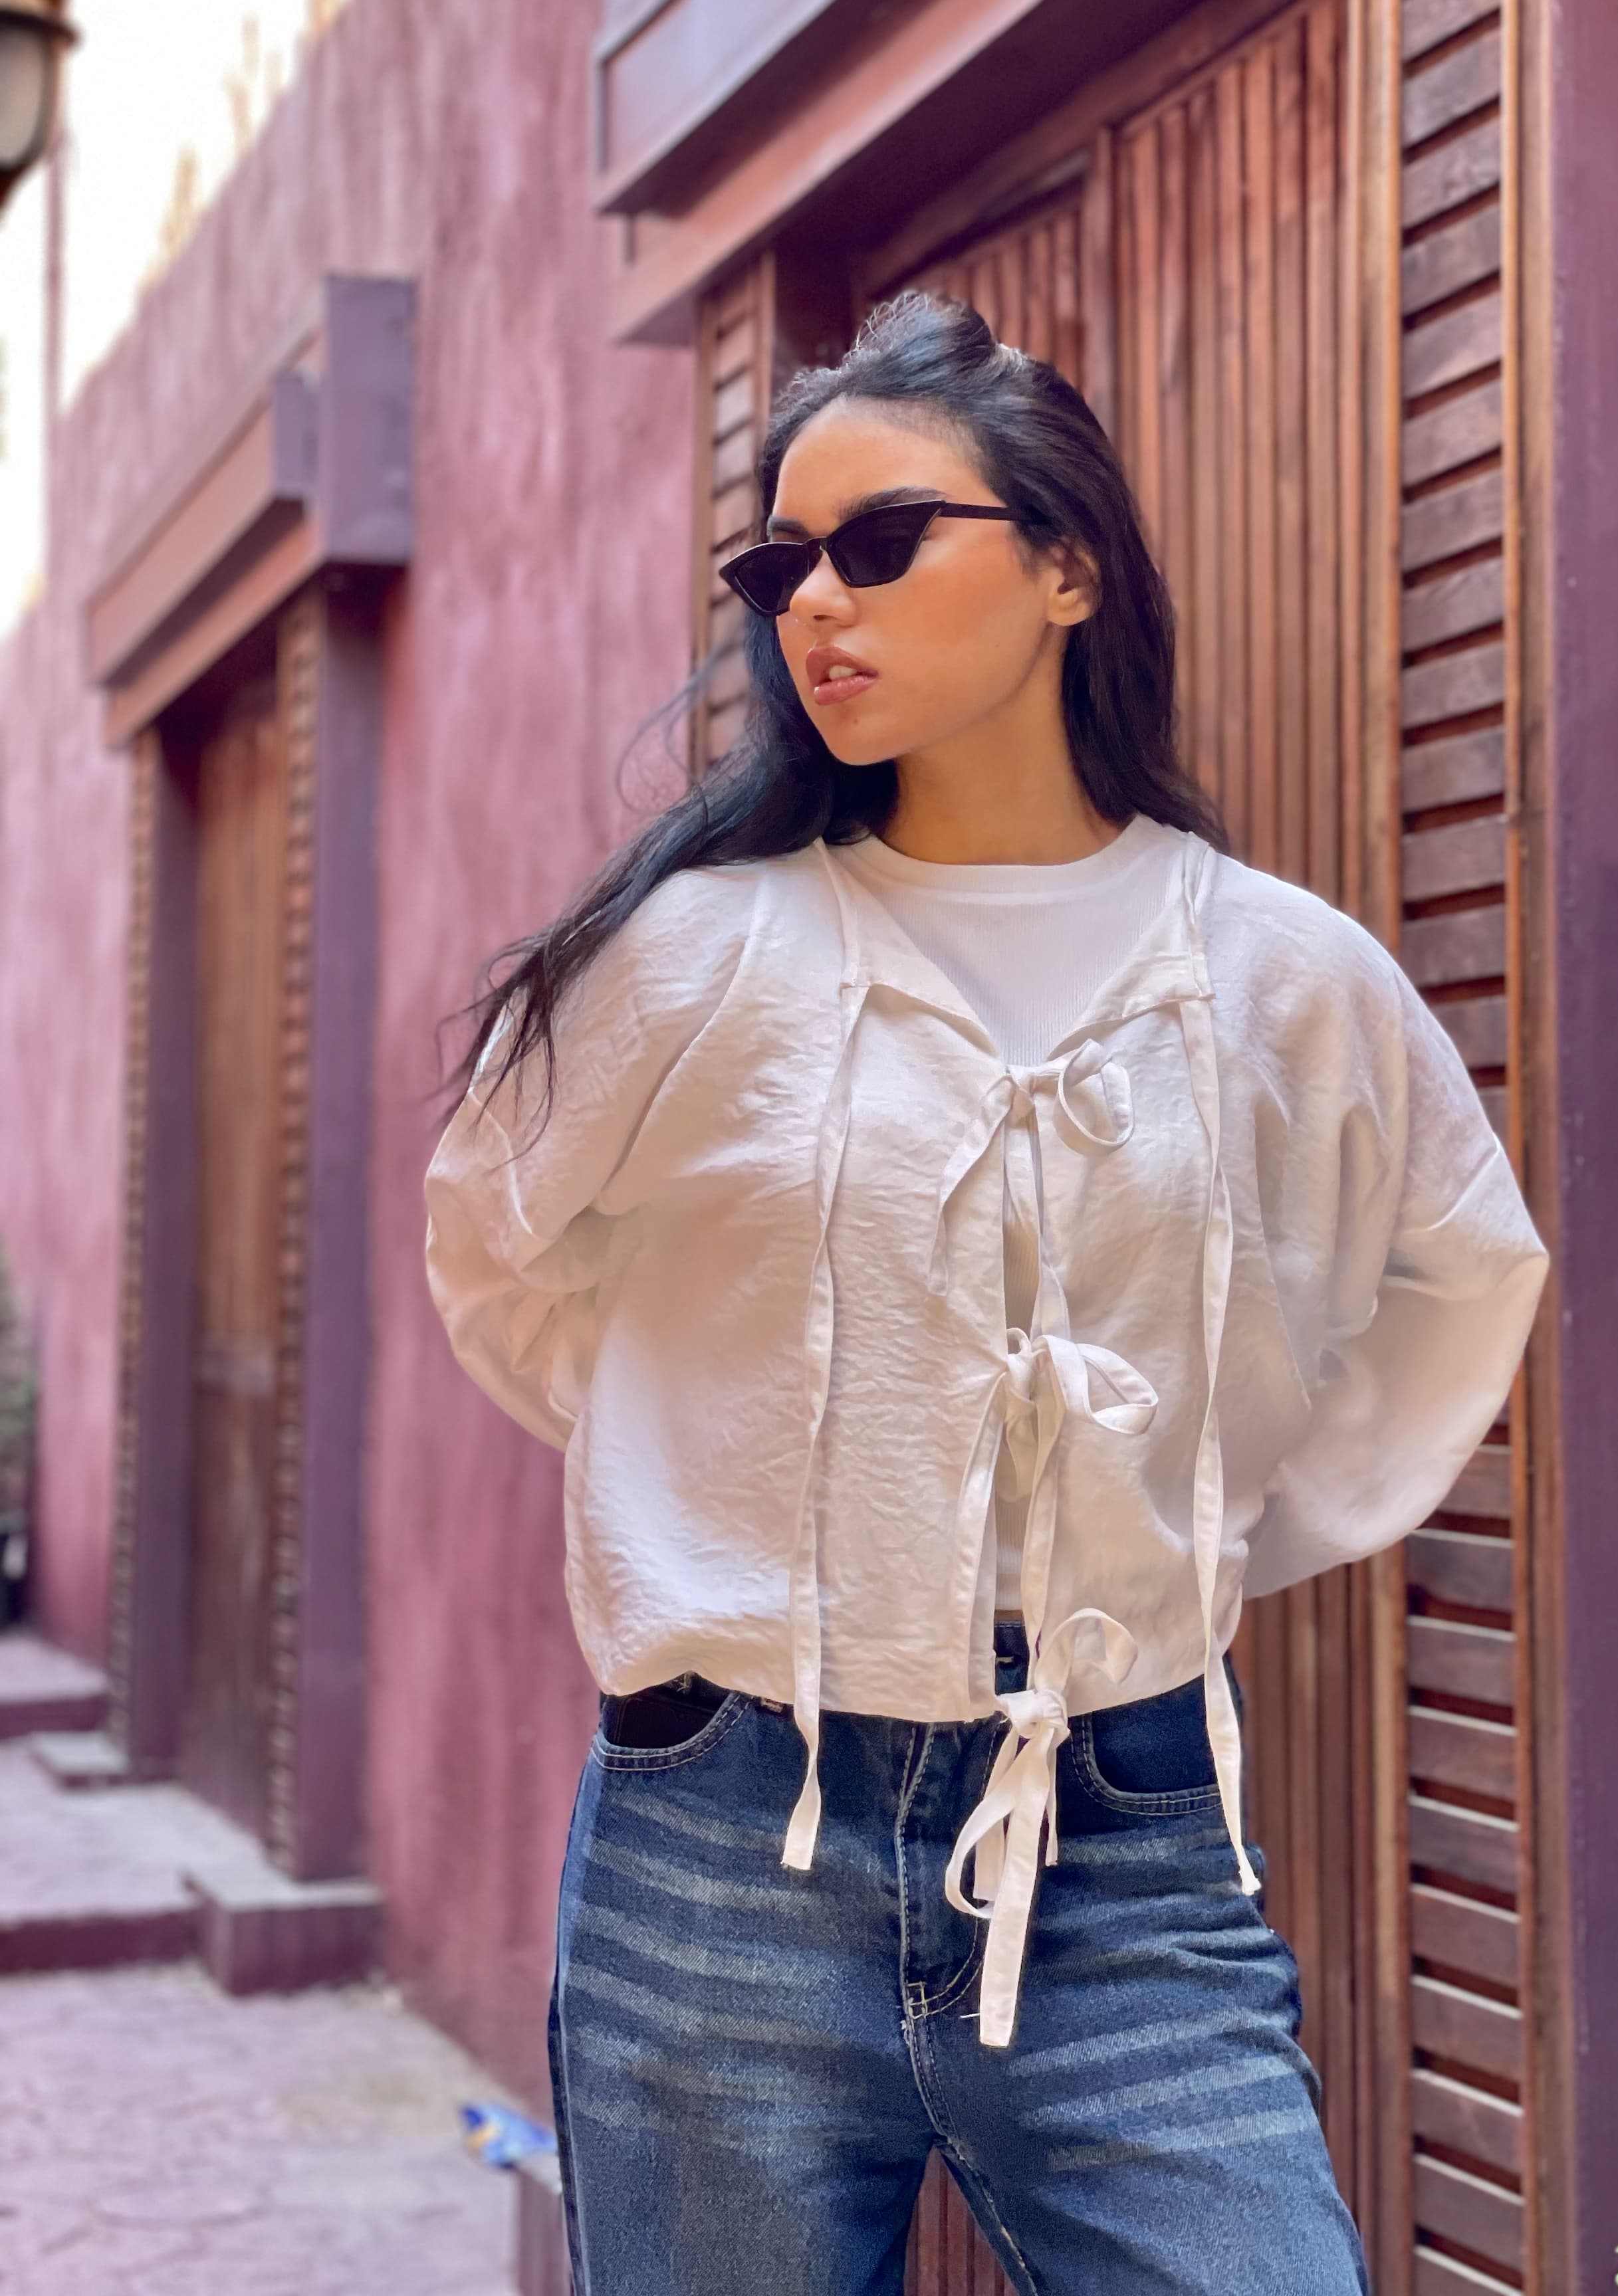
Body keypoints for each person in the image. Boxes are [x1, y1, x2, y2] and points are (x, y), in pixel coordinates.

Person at [424, 292, 1548, 2296]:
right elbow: (508, 1267)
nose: (814, 606)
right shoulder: (688, 962)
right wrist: (737, 1483)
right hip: (724, 1837)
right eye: (778, 566)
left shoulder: (1285, 976)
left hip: (1121, 1834)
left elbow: (1455, 1278)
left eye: (880, 543)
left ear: (1066, 564)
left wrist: (1193, 1523)